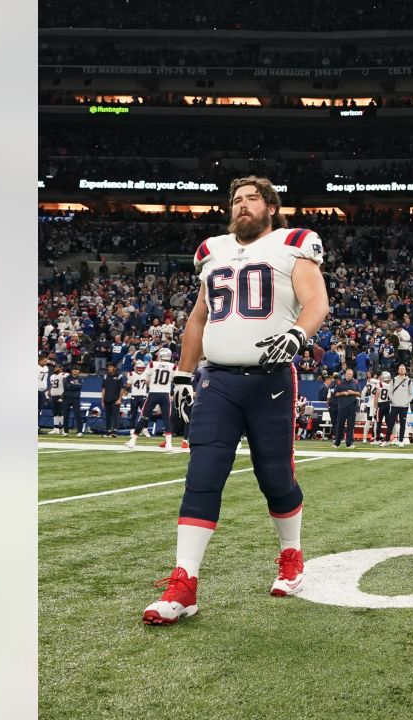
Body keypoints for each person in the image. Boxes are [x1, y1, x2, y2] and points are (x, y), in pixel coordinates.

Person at [142, 176, 330, 625]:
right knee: (202, 476)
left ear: (271, 207)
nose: (242, 206)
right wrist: (184, 376)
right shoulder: (213, 250)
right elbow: (197, 318)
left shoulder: (293, 243)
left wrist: (297, 334)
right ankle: (184, 585)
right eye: (236, 200)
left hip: (270, 382)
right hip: (217, 382)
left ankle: (291, 556)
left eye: (251, 199)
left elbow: (316, 302)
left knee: (276, 479)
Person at [125, 347, 178, 450]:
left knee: (144, 416)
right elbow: (175, 381)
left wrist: (152, 383)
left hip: (153, 393)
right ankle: (169, 443)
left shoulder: (152, 364)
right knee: (167, 419)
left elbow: (145, 379)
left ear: (160, 356)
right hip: (165, 394)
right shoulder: (174, 366)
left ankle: (133, 440)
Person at [331, 368, 360, 448]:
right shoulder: (340, 382)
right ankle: (337, 443)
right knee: (339, 425)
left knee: (351, 426)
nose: (349, 375)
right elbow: (335, 394)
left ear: (352, 375)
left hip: (352, 407)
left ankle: (349, 443)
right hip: (342, 407)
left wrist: (353, 392)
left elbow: (359, 394)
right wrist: (343, 393)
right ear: (345, 374)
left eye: (351, 374)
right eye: (348, 374)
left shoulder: (355, 382)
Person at [387, 364, 413, 446]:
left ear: (405, 371)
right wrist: (393, 400)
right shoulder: (393, 380)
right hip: (395, 406)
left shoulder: (409, 381)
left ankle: (401, 441)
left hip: (404, 406)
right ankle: (387, 440)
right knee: (390, 423)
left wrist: (407, 401)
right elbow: (390, 392)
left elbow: (412, 394)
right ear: (398, 370)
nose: (402, 370)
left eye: (403, 369)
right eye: (400, 369)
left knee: (402, 424)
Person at [100, 362, 127, 437]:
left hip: (115, 399)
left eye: (111, 367)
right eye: (108, 367)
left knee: (115, 415)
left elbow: (122, 388)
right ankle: (108, 431)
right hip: (107, 399)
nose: (109, 368)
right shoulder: (105, 376)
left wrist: (119, 399)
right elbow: (103, 389)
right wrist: (102, 400)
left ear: (114, 368)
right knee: (108, 415)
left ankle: (115, 431)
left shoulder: (119, 376)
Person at [361, 370, 384, 444]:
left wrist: (362, 401)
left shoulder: (369, 380)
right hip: (376, 403)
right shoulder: (380, 383)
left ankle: (364, 438)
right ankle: (375, 438)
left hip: (369, 402)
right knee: (376, 422)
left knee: (368, 421)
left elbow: (363, 392)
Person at [373, 370, 393, 446]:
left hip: (381, 405)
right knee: (389, 423)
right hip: (388, 405)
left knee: (378, 423)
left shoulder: (380, 384)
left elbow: (377, 395)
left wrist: (375, 406)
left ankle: (378, 439)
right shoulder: (391, 384)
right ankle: (389, 438)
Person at [63, 366, 85, 436]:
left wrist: (71, 385)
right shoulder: (67, 378)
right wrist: (74, 386)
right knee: (66, 415)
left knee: (77, 415)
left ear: (79, 371)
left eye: (77, 370)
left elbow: (79, 387)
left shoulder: (80, 378)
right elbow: (66, 387)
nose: (75, 371)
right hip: (67, 398)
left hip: (76, 398)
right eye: (74, 369)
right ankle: (65, 431)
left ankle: (79, 431)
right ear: (72, 370)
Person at [47, 364, 67, 435]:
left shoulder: (64, 375)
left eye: (57, 367)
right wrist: (49, 391)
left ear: (61, 368)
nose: (55, 368)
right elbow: (52, 385)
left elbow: (66, 384)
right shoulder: (52, 376)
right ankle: (56, 428)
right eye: (55, 367)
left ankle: (62, 428)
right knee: (55, 412)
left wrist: (63, 395)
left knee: (60, 412)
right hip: (53, 396)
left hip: (60, 395)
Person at [38, 356, 51, 432]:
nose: (45, 362)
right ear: (39, 361)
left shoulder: (46, 368)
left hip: (42, 391)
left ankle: (37, 426)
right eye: (43, 361)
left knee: (39, 410)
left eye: (46, 361)